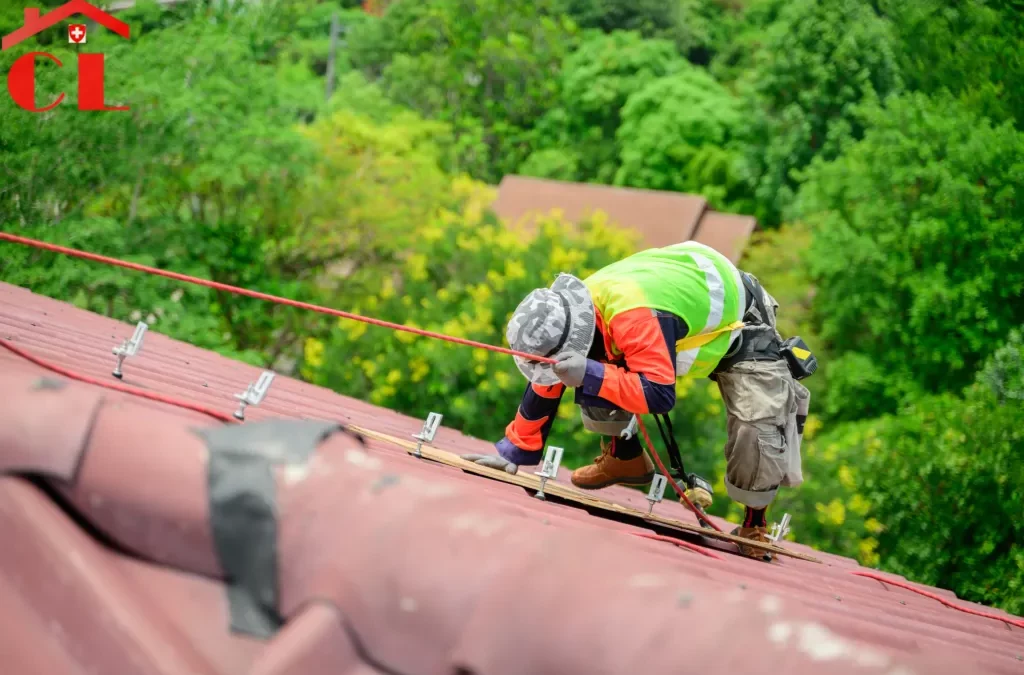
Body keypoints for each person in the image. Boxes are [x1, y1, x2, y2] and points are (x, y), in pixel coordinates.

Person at [462, 241, 811, 559]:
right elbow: (554, 372)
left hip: (739, 324)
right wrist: (513, 452)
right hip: (670, 313)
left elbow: (659, 394)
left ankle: (755, 523)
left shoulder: (634, 317)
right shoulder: (578, 310)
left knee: (759, 421)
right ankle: (624, 459)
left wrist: (590, 373)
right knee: (594, 368)